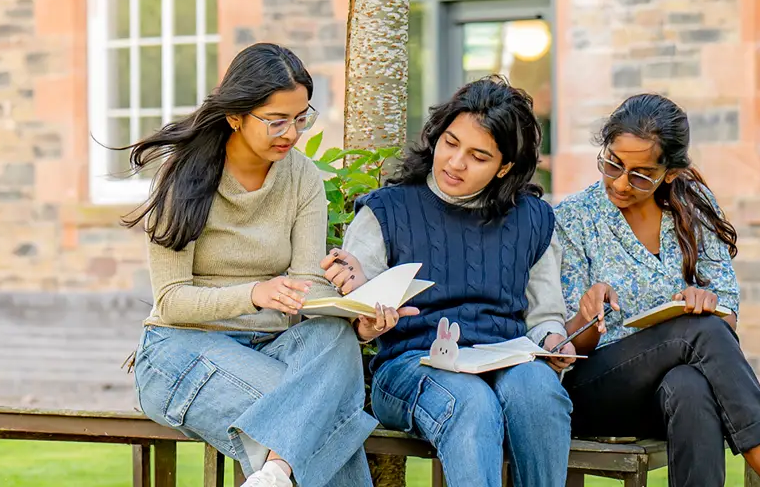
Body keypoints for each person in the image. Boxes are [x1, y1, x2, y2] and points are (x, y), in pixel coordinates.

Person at [126, 43, 413, 487]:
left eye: (301, 119)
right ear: (236, 116)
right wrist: (253, 293)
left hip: (271, 346)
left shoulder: (301, 177)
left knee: (331, 336)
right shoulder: (183, 176)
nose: (291, 133)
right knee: (320, 419)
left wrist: (358, 317)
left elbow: (307, 287)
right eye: (277, 121)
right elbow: (171, 301)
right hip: (180, 348)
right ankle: (279, 469)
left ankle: (275, 474)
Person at [557, 94, 760, 486]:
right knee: (699, 330)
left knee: (690, 385)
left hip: (665, 396)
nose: (620, 182)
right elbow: (566, 348)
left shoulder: (694, 205)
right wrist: (588, 313)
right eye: (613, 163)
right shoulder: (574, 217)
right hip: (595, 392)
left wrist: (709, 302)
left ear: (669, 173)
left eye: (640, 174)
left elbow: (728, 318)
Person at [343, 76, 576, 487]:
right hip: (409, 366)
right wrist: (368, 317)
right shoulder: (386, 211)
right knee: (471, 402)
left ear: (505, 166)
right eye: (450, 143)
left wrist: (555, 341)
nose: (455, 163)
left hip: (505, 359)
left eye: (478, 156)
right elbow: (356, 319)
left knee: (539, 390)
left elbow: (545, 316)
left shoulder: (533, 220)